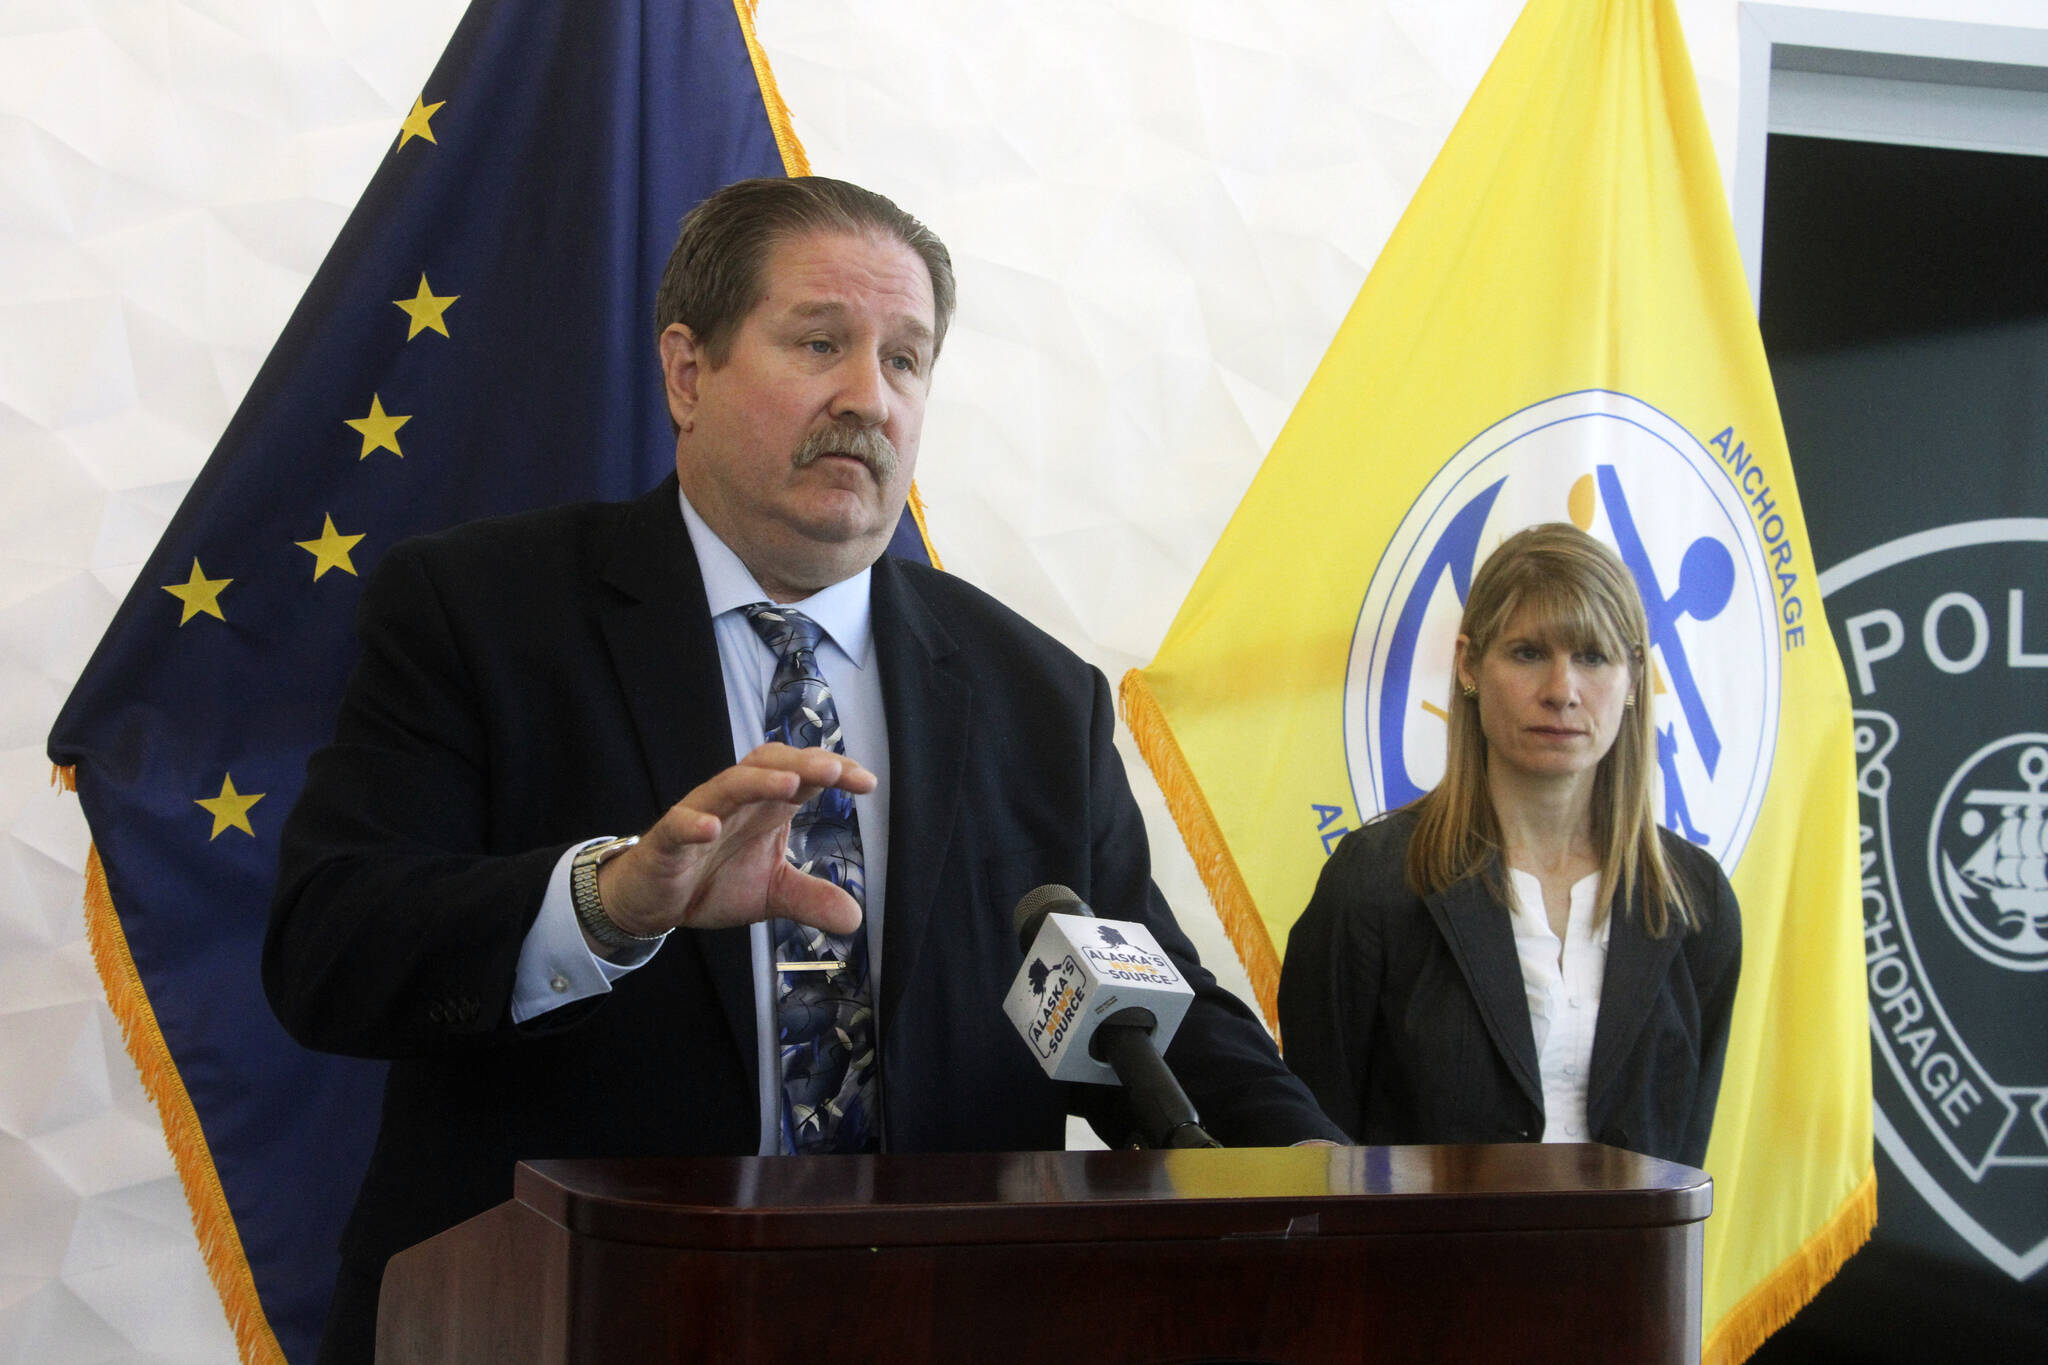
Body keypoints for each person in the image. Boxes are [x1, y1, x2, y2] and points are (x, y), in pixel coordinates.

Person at [265, 176, 1342, 1364]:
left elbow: (1140, 1014)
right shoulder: (480, 613)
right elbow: (328, 949)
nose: (866, 398)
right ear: (687, 373)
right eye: (819, 342)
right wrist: (609, 905)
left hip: (934, 1324)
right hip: (558, 1318)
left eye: (906, 360)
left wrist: (1353, 1198)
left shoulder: (1033, 695)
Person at [1277, 523, 1740, 1167]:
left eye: (1593, 656)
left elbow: (1683, 1170)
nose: (1562, 690)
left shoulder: (1696, 899)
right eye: (1527, 653)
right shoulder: (1375, 882)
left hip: (1625, 1269)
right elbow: (1318, 1161)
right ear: (1469, 663)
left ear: (1636, 675)